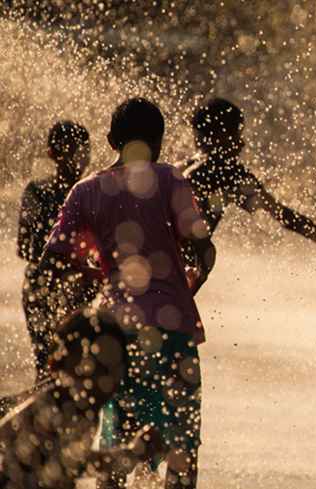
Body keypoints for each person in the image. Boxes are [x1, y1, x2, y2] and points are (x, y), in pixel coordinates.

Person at [35, 98, 216, 489]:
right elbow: (205, 251)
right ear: (161, 141)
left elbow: (51, 263)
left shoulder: (85, 192)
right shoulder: (171, 180)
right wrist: (191, 281)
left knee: (119, 443)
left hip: (117, 334)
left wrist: (77, 301)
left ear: (110, 139)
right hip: (174, 331)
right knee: (183, 447)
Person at [179, 97, 316, 268]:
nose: (242, 143)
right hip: (173, 271)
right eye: (236, 135)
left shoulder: (177, 169)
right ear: (220, 137)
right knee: (204, 255)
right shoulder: (228, 174)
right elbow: (287, 218)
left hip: (155, 261)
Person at [0, 309, 163, 489]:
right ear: (64, 362)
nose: (106, 381)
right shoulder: (58, 405)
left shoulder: (84, 406)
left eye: (115, 368)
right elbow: (71, 462)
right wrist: (130, 454)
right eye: (97, 368)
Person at [16, 120, 91, 384]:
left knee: (61, 368)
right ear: (52, 154)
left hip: (56, 286)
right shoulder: (88, 193)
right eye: (72, 150)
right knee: (53, 367)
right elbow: (26, 249)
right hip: (57, 288)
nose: (78, 158)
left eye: (81, 151)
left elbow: (25, 247)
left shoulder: (86, 193)